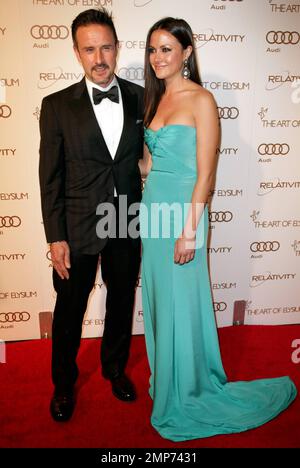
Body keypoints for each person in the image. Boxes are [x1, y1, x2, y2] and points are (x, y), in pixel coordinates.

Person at [138, 17, 297, 441]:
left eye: (167, 48)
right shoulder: (154, 100)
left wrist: (190, 231)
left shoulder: (201, 100)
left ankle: (189, 388)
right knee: (158, 300)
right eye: (153, 49)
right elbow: (149, 165)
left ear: (187, 53)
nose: (158, 57)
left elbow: (206, 176)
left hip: (184, 214)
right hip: (153, 212)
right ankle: (168, 379)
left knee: (181, 302)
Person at [39, 8, 144, 422]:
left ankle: (115, 369)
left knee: (121, 301)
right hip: (77, 225)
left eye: (105, 47)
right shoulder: (56, 105)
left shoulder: (141, 96)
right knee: (68, 311)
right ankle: (63, 385)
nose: (99, 58)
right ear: (76, 53)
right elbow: (50, 177)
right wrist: (55, 236)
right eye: (89, 49)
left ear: (117, 48)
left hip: (125, 219)